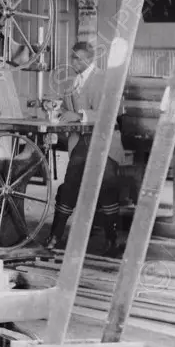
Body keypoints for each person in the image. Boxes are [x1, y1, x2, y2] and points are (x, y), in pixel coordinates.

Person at [44, 42, 125, 255]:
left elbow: (110, 112)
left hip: (103, 143)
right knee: (69, 186)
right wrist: (56, 106)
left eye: (76, 59)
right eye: (72, 59)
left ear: (87, 59)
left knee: (107, 186)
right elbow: (68, 106)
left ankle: (112, 239)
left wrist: (79, 116)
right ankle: (55, 236)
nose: (72, 63)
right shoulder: (73, 81)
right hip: (80, 142)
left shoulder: (105, 79)